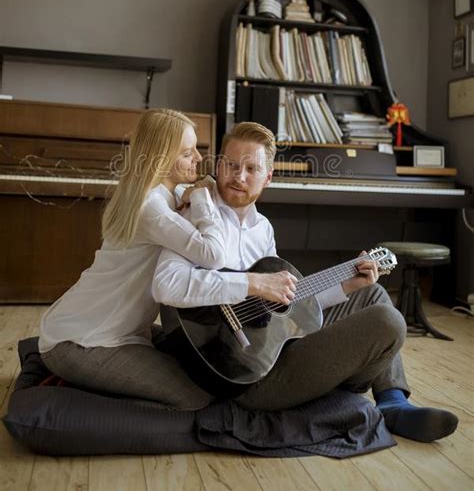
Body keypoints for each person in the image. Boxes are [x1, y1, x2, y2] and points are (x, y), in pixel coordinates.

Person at [152, 121, 458, 442]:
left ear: (268, 177)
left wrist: (347, 285)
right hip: (245, 376)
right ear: (218, 165)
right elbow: (168, 284)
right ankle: (354, 381)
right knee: (388, 321)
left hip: (272, 350)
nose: (238, 177)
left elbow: (283, 307)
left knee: (373, 294)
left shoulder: (263, 229)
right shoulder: (197, 212)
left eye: (251, 168)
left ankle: (393, 401)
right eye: (230, 165)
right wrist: (252, 284)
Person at [39, 108, 228, 410]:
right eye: (186, 153)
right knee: (195, 398)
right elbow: (214, 255)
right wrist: (203, 196)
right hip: (84, 341)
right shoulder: (151, 206)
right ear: (161, 158)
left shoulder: (162, 193)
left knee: (204, 361)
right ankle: (75, 389)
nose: (197, 158)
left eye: (196, 149)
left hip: (110, 328)